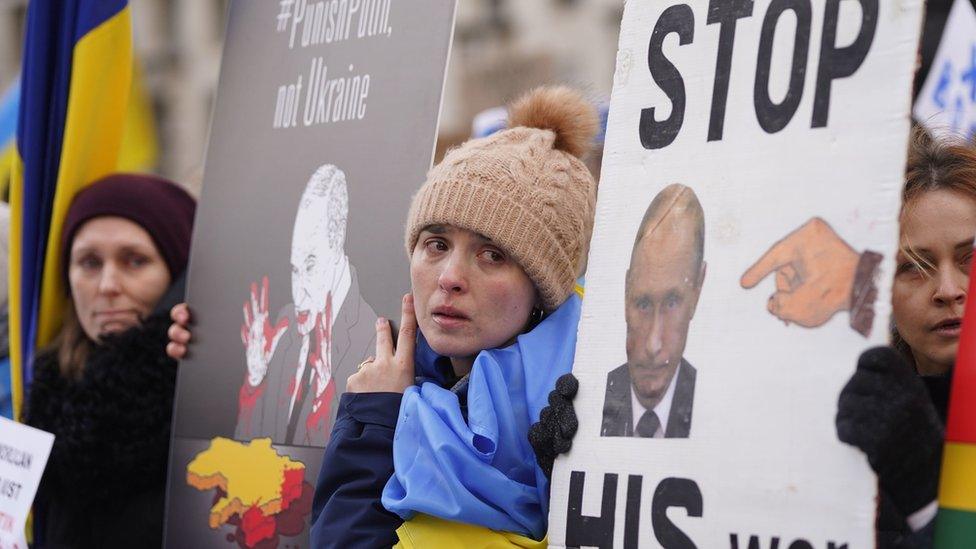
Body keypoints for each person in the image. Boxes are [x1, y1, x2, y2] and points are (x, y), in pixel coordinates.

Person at [169, 86, 599, 546]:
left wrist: (374, 423)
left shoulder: (584, 410)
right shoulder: (392, 379)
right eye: (436, 244)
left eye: (492, 255)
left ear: (542, 289)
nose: (450, 277)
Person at [23, 173, 196, 548]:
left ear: (181, 273)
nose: (107, 285)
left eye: (135, 261)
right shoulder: (46, 399)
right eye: (89, 262)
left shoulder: (210, 400)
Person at [836, 128, 976, 548]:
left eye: (971, 257)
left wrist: (928, 496)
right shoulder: (854, 419)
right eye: (915, 265)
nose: (949, 289)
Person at [234, 163, 377, 446]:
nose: (298, 292)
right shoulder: (284, 326)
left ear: (337, 245)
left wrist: (324, 400)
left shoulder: (372, 336)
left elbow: (363, 464)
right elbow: (250, 451)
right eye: (294, 270)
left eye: (310, 266)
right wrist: (255, 384)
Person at [600, 183, 703, 439]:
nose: (653, 344)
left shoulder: (716, 405)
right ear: (625, 294)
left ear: (697, 291)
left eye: (671, 303)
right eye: (643, 304)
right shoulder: (587, 399)